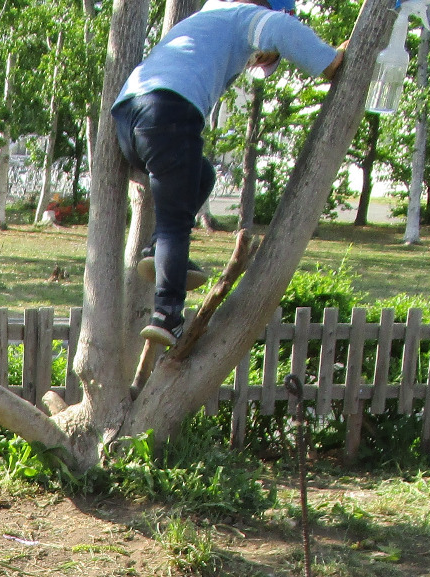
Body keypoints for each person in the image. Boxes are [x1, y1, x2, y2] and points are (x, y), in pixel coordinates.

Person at [112, 0, 346, 346]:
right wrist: (330, 61)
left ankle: (158, 248)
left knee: (202, 175)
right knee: (177, 223)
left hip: (128, 118)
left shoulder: (207, 17)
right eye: (268, 55)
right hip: (169, 111)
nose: (261, 60)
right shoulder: (248, 16)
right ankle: (167, 314)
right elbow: (282, 30)